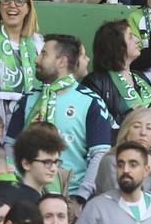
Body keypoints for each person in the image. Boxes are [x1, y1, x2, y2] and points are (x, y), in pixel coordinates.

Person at [6, 34, 111, 198]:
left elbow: (99, 155)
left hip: (71, 197)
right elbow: (10, 147)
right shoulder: (28, 99)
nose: (36, 59)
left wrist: (81, 197)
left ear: (61, 61)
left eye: (43, 54)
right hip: (27, 196)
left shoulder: (91, 102)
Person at [68, 141, 151, 224]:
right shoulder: (97, 206)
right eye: (120, 165)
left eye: (133, 164)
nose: (125, 170)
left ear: (146, 171)